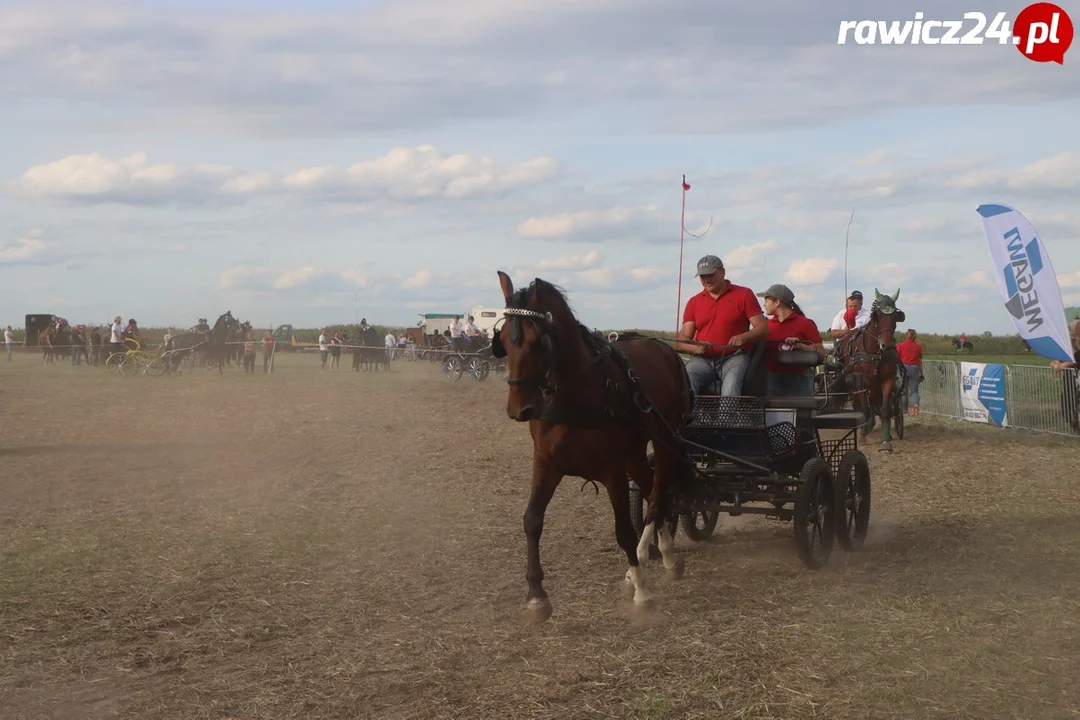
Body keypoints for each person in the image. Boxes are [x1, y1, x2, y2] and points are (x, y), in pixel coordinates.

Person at [675, 254, 769, 396]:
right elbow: (682, 340)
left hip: (734, 356)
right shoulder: (694, 302)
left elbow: (763, 328)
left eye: (710, 275)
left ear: (722, 272)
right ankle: (690, 417)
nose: (707, 280)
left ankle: (726, 418)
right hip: (703, 359)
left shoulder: (744, 294)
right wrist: (695, 348)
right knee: (687, 382)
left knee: (731, 385)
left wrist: (744, 337)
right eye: (702, 277)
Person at [757, 284, 824, 396]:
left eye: (767, 300)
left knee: (801, 412)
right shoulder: (765, 326)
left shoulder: (805, 324)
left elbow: (821, 354)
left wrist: (801, 346)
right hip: (771, 378)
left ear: (777, 302)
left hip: (799, 379)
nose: (764, 304)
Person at [897, 328, 924, 416]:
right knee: (914, 391)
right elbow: (919, 362)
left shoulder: (900, 345)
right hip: (915, 369)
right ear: (915, 337)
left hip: (903, 369)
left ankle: (905, 410)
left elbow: (897, 359)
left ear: (906, 336)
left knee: (904, 390)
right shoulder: (918, 347)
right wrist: (922, 373)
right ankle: (916, 405)